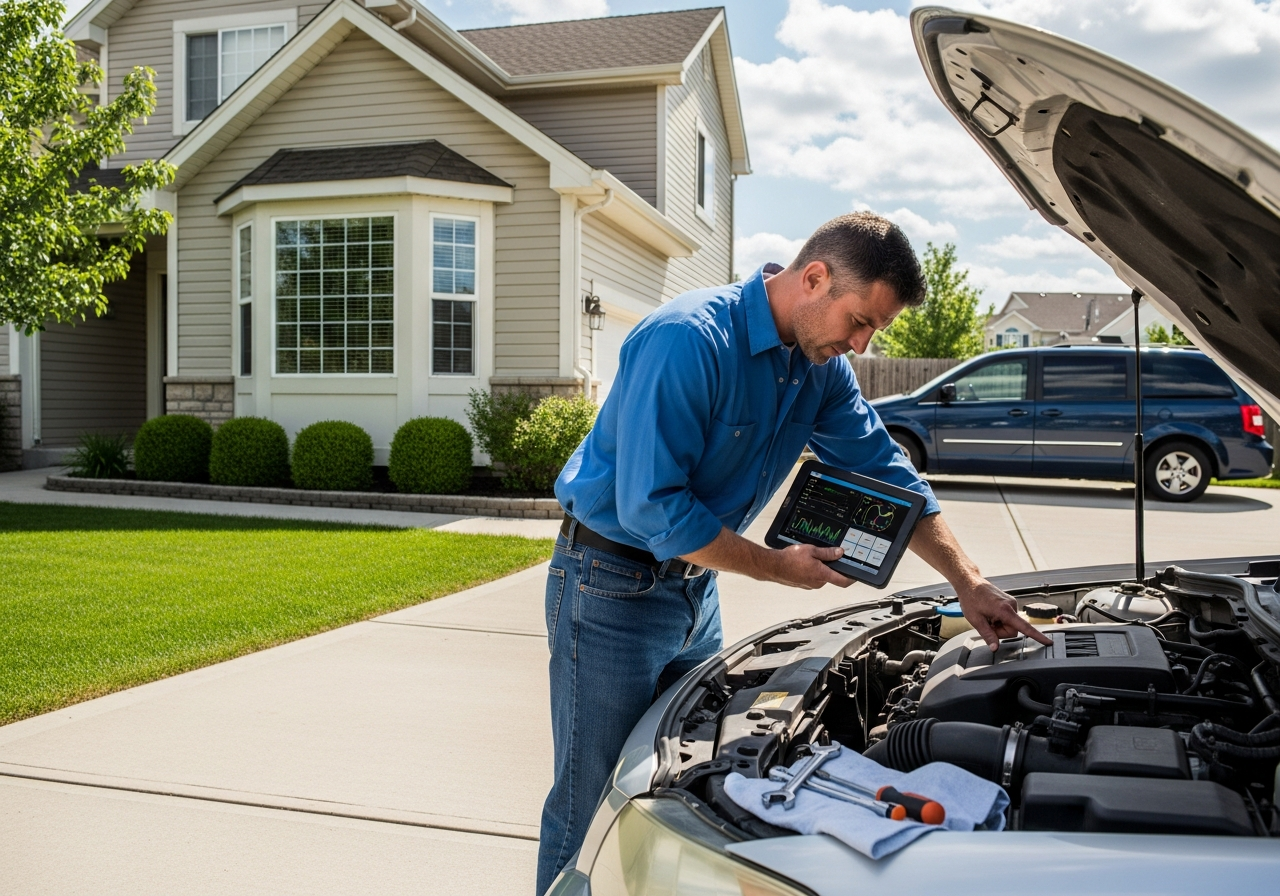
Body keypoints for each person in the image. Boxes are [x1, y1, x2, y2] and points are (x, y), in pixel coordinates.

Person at [536, 212, 1050, 894]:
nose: (862, 344)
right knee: (589, 800)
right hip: (609, 587)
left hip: (696, 590)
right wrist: (778, 567)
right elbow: (652, 507)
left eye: (875, 331)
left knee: (676, 784)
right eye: (860, 321)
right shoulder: (689, 339)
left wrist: (968, 581)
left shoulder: (820, 371)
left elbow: (888, 473)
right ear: (814, 278)